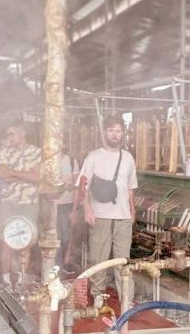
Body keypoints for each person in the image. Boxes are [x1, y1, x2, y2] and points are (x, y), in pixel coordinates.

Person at [78, 117, 138, 299]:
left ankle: (126, 299)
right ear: (105, 132)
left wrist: (132, 211)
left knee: (123, 261)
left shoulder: (128, 158)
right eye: (111, 130)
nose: (115, 134)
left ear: (123, 134)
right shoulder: (94, 156)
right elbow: (83, 186)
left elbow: (130, 188)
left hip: (123, 218)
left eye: (118, 131)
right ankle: (97, 295)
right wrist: (87, 209)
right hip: (100, 216)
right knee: (99, 259)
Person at [0, 123, 41, 288]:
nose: (9, 138)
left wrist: (14, 173)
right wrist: (25, 175)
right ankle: (6, 280)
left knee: (25, 241)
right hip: (8, 201)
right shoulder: (5, 152)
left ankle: (22, 278)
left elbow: (38, 177)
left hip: (28, 202)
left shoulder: (36, 152)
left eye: (11, 134)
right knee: (5, 242)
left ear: (22, 133)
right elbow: (2, 175)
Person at [56, 148, 79, 271]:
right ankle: (57, 266)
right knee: (55, 236)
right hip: (51, 204)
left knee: (66, 236)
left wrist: (74, 209)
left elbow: (76, 186)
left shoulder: (70, 161)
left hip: (67, 204)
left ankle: (65, 260)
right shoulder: (46, 161)